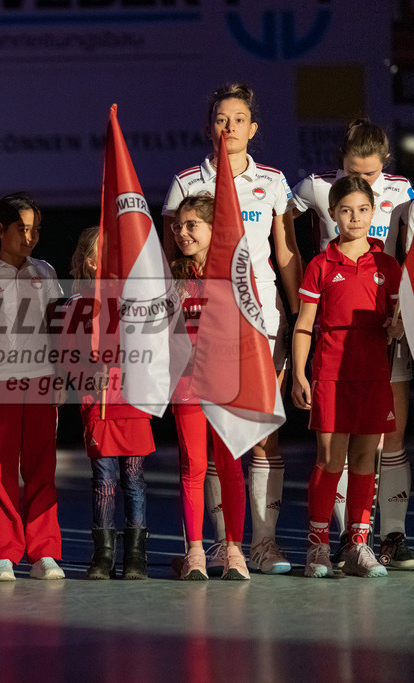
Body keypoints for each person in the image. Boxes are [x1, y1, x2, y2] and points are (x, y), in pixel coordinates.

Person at [161, 83, 301, 575]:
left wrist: (302, 308)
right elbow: (167, 260)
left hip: (262, 324)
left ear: (253, 128)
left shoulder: (273, 181)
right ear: (210, 126)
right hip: (203, 332)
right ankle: (218, 545)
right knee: (208, 444)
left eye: (238, 119)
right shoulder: (185, 183)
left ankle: (262, 544)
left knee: (258, 436)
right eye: (221, 118)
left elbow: (284, 253)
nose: (229, 127)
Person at [290, 117, 414, 570]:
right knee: (330, 456)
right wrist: (300, 372)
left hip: (378, 358)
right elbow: (304, 322)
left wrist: (401, 323)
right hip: (330, 363)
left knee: (374, 451)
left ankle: (369, 540)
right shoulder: (320, 257)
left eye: (364, 208)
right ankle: (322, 542)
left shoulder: (391, 259)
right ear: (333, 213)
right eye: (346, 209)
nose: (355, 215)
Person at [0, 193, 64, 582]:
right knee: (0, 469)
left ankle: (44, 553)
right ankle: (4, 553)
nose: (30, 237)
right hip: (0, 385)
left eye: (36, 230)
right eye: (22, 229)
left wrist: (60, 374)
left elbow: (59, 330)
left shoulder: (46, 272)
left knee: (42, 466)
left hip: (42, 382)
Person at [60, 226, 153, 580]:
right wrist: (88, 374)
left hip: (132, 401)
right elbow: (67, 357)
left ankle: (136, 556)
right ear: (90, 262)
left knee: (134, 478)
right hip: (97, 404)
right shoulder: (75, 305)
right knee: (105, 480)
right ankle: (104, 555)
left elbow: (150, 350)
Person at [168, 195, 250, 580]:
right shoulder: (174, 279)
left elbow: (248, 330)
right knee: (194, 467)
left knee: (231, 467)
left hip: (226, 387)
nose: (182, 233)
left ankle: (235, 551)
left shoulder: (234, 274)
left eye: (191, 225)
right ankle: (196, 552)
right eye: (178, 227)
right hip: (187, 386)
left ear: (213, 229)